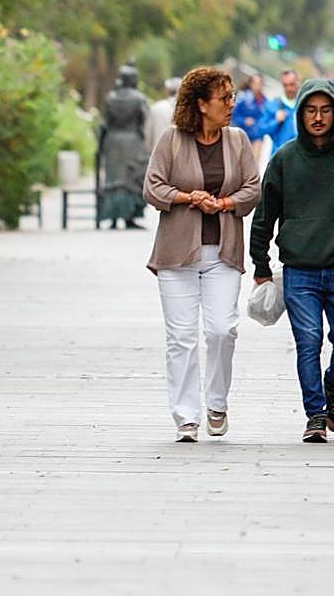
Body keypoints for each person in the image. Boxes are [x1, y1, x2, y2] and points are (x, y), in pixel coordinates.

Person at [250, 78, 334, 443]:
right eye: (310, 110)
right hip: (299, 269)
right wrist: (260, 264)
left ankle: (333, 385)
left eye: (325, 110)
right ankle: (316, 414)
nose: (318, 117)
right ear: (300, 114)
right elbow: (265, 214)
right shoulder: (285, 158)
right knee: (308, 341)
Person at [143, 68, 261, 442]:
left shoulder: (238, 141)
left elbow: (252, 189)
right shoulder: (172, 140)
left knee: (222, 330)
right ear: (200, 104)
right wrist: (185, 196)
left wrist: (225, 202)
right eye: (223, 98)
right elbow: (152, 187)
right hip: (177, 255)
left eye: (232, 98)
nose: (230, 105)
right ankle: (185, 416)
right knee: (181, 337)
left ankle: (216, 402)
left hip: (222, 254)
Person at [98, 64, 149, 229]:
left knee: (114, 179)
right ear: (133, 79)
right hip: (132, 141)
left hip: (113, 141)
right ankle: (130, 217)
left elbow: (105, 123)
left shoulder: (111, 98)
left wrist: (101, 145)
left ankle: (113, 217)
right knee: (131, 178)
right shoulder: (139, 98)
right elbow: (143, 119)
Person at [256, 69, 300, 155]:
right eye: (285, 85)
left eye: (292, 84)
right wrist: (276, 121)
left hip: (300, 157)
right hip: (279, 157)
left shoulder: (305, 106)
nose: (289, 88)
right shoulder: (273, 105)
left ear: (298, 83)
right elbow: (260, 129)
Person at [231, 72, 268, 161]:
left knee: (253, 164)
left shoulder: (265, 101)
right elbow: (232, 115)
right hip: (241, 135)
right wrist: (244, 120)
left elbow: (265, 119)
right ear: (251, 84)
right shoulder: (242, 97)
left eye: (260, 84)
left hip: (256, 137)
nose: (258, 86)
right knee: (238, 163)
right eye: (256, 83)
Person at [144, 76, 181, 152]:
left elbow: (148, 133)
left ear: (166, 91)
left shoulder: (155, 107)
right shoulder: (187, 108)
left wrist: (148, 151)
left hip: (158, 152)